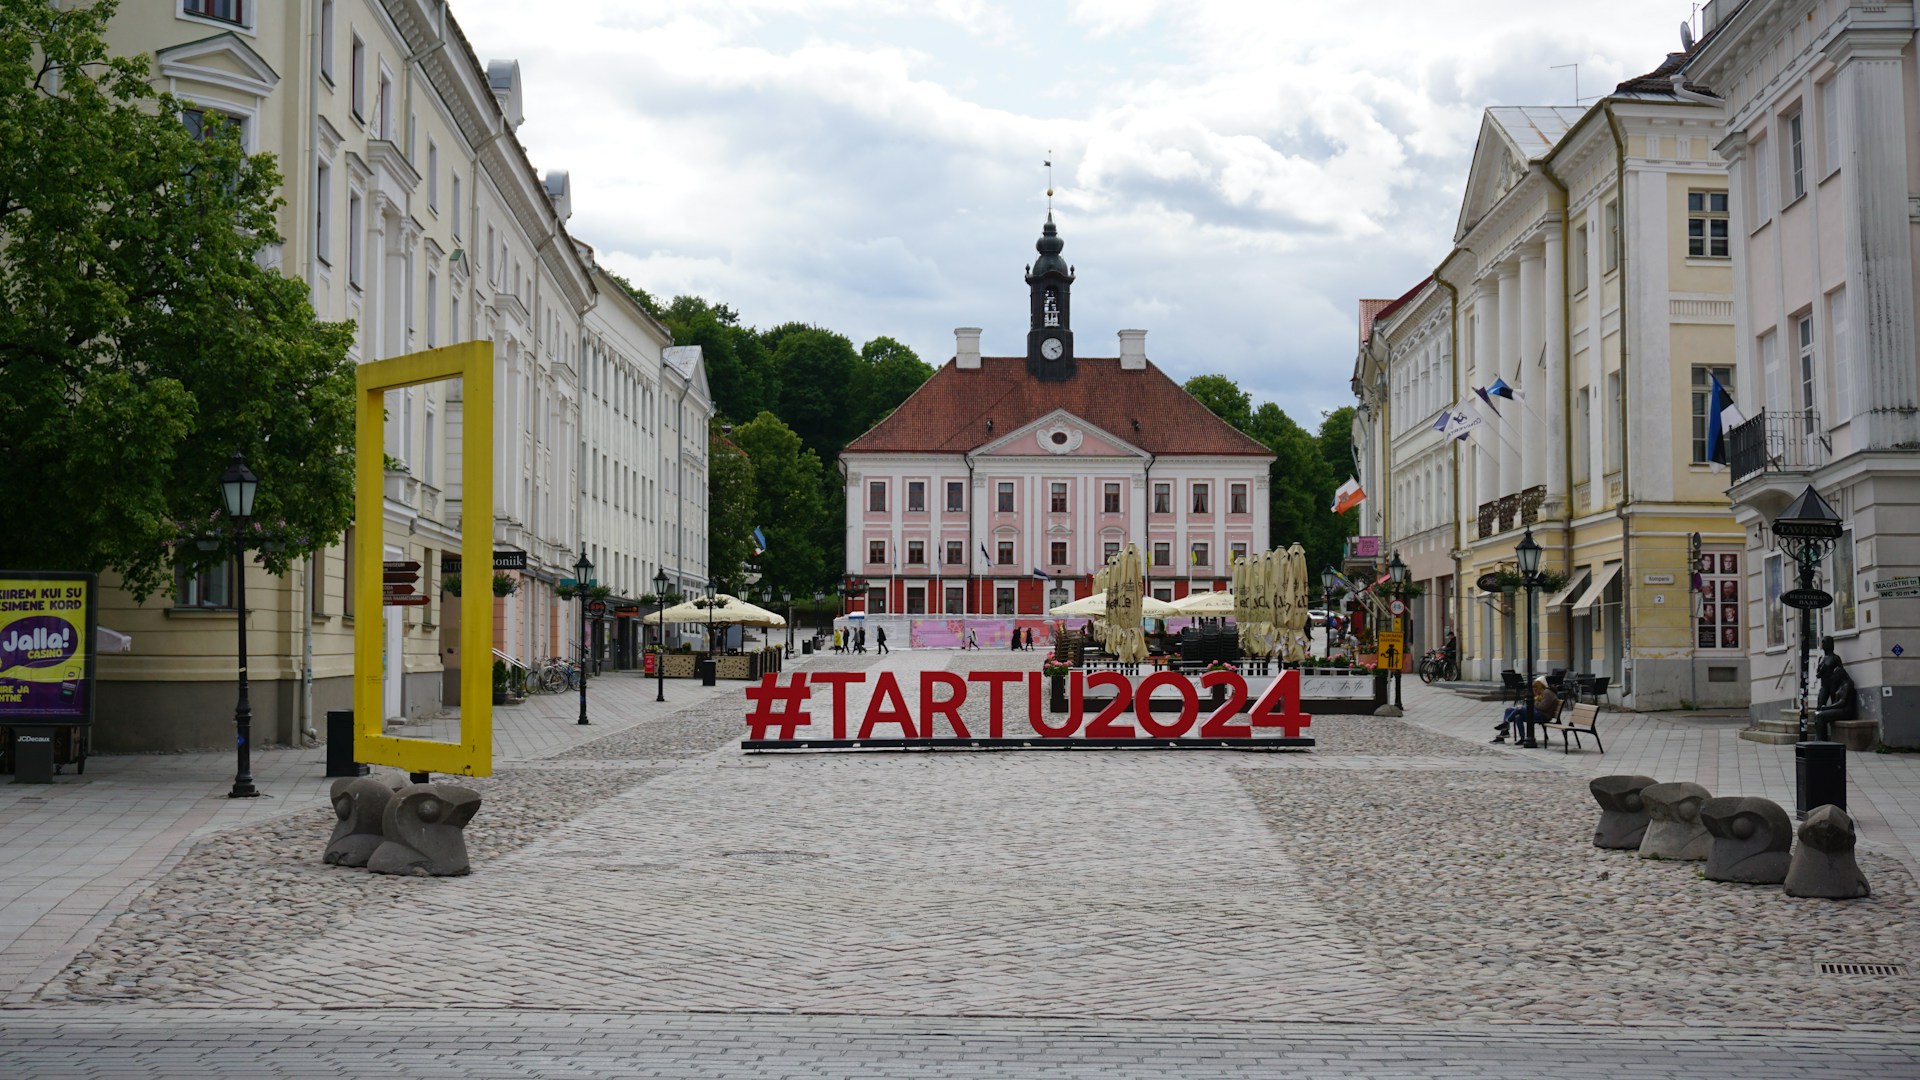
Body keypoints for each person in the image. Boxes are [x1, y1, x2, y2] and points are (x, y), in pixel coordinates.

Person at [1495, 676, 1559, 744]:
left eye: (1536, 687)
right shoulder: (1543, 692)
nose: (1534, 689)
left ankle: (1506, 724)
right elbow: (1540, 705)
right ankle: (1521, 738)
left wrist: (1533, 702)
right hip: (1537, 712)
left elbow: (1543, 707)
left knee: (1519, 708)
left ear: (1540, 686)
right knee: (1514, 714)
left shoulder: (1547, 693)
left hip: (1543, 715)